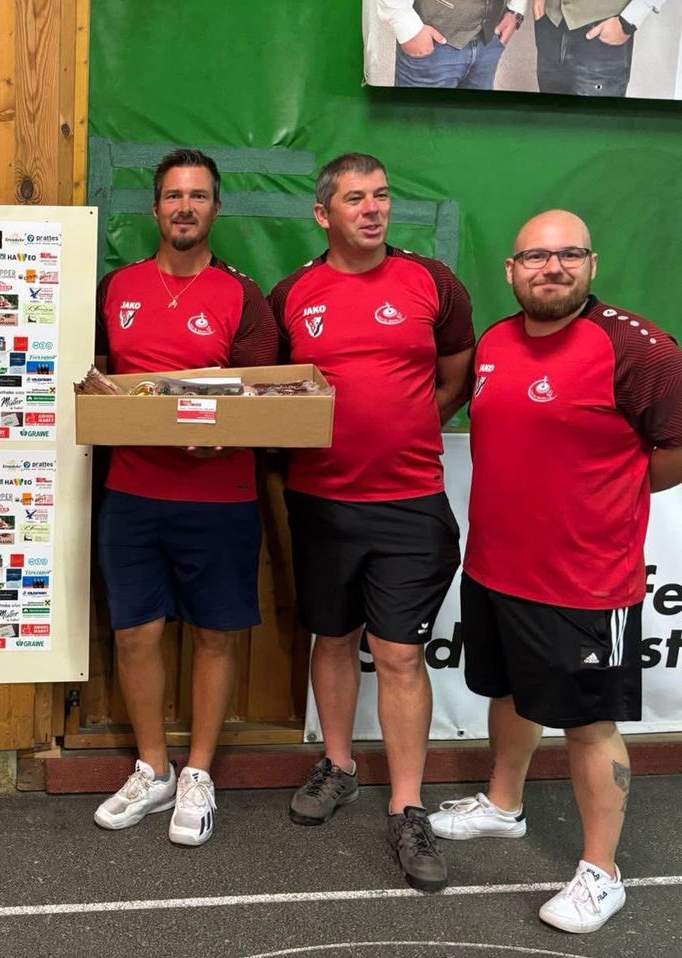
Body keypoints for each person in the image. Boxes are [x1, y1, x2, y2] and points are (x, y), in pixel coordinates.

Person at [429, 210, 682, 932]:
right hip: (495, 567)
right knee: (507, 691)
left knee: (588, 723)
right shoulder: (495, 342)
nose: (553, 267)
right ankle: (503, 806)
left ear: (591, 265)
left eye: (569, 254)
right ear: (511, 271)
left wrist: (609, 498)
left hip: (584, 582)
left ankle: (603, 873)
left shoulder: (639, 351)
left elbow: (673, 450)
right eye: (536, 257)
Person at [268, 153, 475, 892]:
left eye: (382, 196)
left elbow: (456, 371)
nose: (373, 209)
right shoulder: (292, 292)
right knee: (333, 635)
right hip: (320, 502)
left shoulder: (432, 283)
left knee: (397, 655)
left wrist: (414, 424)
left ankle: (409, 806)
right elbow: (275, 392)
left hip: (410, 503)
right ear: (323, 214)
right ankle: (338, 763)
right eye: (355, 198)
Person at [91, 149, 279, 846]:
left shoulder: (243, 295)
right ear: (156, 208)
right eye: (174, 195)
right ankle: (152, 766)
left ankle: (197, 772)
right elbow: (95, 375)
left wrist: (226, 439)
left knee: (213, 634)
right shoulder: (118, 288)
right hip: (131, 493)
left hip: (221, 496)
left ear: (215, 210)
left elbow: (264, 395)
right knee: (135, 632)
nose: (185, 207)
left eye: (198, 196)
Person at [533, 0, 672, 97]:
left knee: (597, 131)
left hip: (601, 34)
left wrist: (629, 20)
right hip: (551, 26)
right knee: (552, 125)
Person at [378, 0, 527, 89]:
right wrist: (403, 21)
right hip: (432, 41)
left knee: (472, 132)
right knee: (419, 133)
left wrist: (516, 9)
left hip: (489, 39)